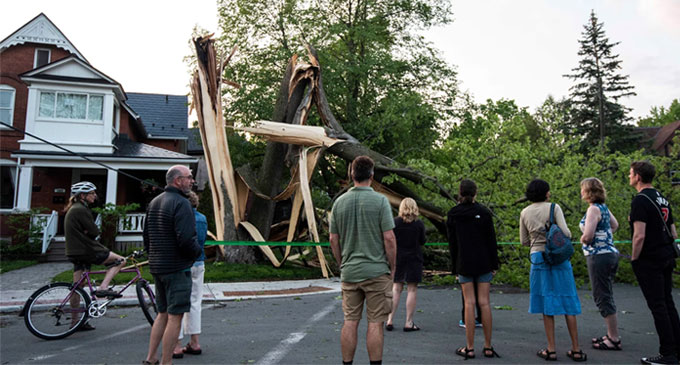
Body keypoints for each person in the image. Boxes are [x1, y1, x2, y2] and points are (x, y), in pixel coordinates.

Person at [329, 156, 397, 365]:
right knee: (375, 323)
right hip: (376, 271)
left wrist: (342, 263)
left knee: (350, 321)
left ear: (351, 174)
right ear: (372, 175)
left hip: (350, 271)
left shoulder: (339, 203)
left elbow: (333, 239)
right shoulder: (380, 201)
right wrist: (392, 267)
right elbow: (389, 238)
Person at [520, 179, 586, 362]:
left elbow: (523, 241)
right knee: (568, 299)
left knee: (546, 302)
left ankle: (551, 349)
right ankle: (576, 348)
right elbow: (566, 233)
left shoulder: (525, 212)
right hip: (558, 257)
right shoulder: (554, 208)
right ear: (546, 193)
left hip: (538, 257)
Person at [143, 165, 202, 365]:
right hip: (177, 267)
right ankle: (166, 362)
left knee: (162, 313)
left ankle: (151, 358)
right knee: (175, 317)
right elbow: (186, 239)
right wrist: (195, 254)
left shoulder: (154, 202)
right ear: (177, 180)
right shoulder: (182, 203)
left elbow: (147, 237)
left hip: (158, 266)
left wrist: (153, 256)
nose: (192, 181)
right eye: (189, 177)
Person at [629, 161, 680, 365]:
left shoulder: (640, 200)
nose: (629, 177)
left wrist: (634, 258)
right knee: (668, 304)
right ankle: (676, 349)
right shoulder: (662, 198)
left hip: (650, 258)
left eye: (631, 174)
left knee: (657, 306)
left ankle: (667, 353)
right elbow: (673, 231)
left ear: (638, 177)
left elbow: (639, 235)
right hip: (667, 254)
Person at [447, 179, 500, 359]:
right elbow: (491, 241)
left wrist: (454, 267)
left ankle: (469, 347)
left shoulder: (454, 214)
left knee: (469, 302)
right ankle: (488, 346)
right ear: (475, 193)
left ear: (460, 193)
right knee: (484, 302)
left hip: (464, 262)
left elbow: (452, 244)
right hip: (484, 262)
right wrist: (494, 264)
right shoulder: (484, 213)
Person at [64, 181, 126, 331]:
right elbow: (94, 231)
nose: (95, 196)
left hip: (74, 251)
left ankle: (75, 322)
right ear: (83, 196)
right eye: (92, 193)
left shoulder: (73, 208)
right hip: (87, 250)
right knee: (120, 260)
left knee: (77, 287)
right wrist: (90, 231)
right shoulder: (81, 209)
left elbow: (89, 231)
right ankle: (103, 289)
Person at [578, 178, 622, 351]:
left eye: (582, 190)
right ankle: (611, 334)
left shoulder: (593, 209)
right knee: (606, 293)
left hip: (598, 256)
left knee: (601, 295)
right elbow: (615, 225)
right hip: (610, 253)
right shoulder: (603, 208)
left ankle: (614, 338)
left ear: (588, 191)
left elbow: (588, 236)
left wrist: (583, 239)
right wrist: (604, 235)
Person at [172, 191, 208, 358]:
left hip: (181, 263)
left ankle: (176, 344)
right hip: (199, 262)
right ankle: (195, 341)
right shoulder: (202, 218)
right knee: (195, 302)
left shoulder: (179, 218)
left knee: (177, 304)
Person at [385, 198, 426, 332]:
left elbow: (390, 239)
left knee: (396, 288)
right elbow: (422, 241)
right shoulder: (418, 224)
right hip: (414, 257)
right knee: (412, 289)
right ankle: (408, 322)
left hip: (399, 258)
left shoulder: (395, 222)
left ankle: (390, 319)